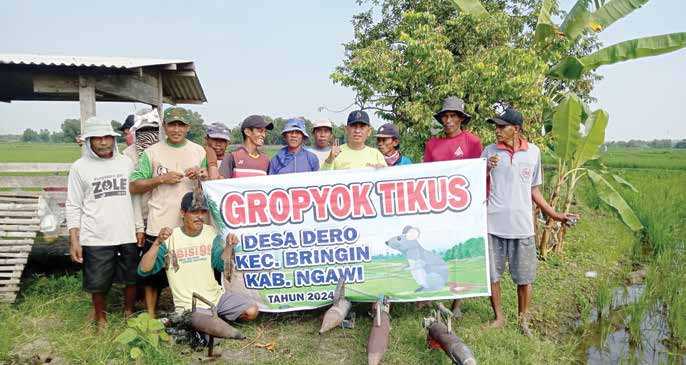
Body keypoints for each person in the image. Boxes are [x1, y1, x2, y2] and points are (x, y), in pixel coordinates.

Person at [482, 106, 578, 336]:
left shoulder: (533, 153)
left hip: (523, 227)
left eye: (501, 126)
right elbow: (476, 183)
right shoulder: (489, 151)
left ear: (516, 129)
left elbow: (534, 190)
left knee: (524, 278)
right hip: (492, 225)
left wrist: (554, 215)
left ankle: (523, 320)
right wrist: (485, 168)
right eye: (495, 126)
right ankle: (499, 317)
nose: (496, 130)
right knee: (492, 276)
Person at [65, 116, 143, 330]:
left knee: (131, 278)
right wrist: (74, 238)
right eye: (96, 138)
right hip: (95, 234)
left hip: (126, 231)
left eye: (107, 137)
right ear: (88, 141)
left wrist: (139, 227)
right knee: (97, 282)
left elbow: (134, 197)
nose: (103, 142)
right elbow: (73, 204)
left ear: (113, 139)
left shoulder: (126, 163)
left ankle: (128, 310)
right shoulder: (79, 167)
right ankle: (101, 317)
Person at [129, 107, 208, 317]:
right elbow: (134, 186)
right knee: (153, 275)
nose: (176, 129)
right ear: (164, 127)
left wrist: (202, 174)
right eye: (172, 124)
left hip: (189, 224)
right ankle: (151, 315)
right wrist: (161, 179)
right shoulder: (152, 152)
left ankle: (183, 312)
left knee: (186, 269)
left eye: (181, 125)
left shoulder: (199, 151)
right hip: (160, 221)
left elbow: (210, 179)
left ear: (188, 128)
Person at [138, 192, 259, 323]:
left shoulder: (211, 233)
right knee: (204, 324)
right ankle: (191, 320)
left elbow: (221, 266)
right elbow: (144, 269)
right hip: (190, 305)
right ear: (183, 213)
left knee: (252, 311)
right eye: (194, 212)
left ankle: (212, 319)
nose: (200, 217)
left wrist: (229, 247)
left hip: (216, 298)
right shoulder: (170, 238)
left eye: (203, 212)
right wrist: (157, 243)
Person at [321, 110, 387, 170]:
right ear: (346, 130)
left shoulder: (376, 154)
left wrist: (381, 171)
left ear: (369, 131)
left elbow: (386, 178)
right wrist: (329, 160)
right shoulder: (334, 153)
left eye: (362, 127)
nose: (357, 131)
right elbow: (323, 178)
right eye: (354, 126)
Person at [424, 96, 482, 162]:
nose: (448, 120)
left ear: (461, 118)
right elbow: (427, 171)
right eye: (445, 116)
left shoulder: (472, 142)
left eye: (453, 115)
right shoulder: (431, 144)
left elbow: (478, 169)